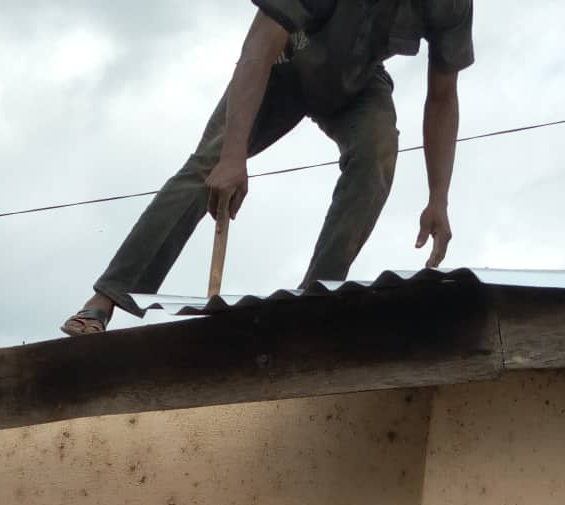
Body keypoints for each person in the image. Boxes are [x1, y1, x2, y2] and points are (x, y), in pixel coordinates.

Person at [61, 0, 474, 336]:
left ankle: (315, 301)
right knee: (209, 166)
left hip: (357, 81)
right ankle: (107, 299)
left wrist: (439, 197)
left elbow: (442, 97)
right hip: (286, 60)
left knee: (378, 149)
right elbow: (258, 50)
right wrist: (232, 157)